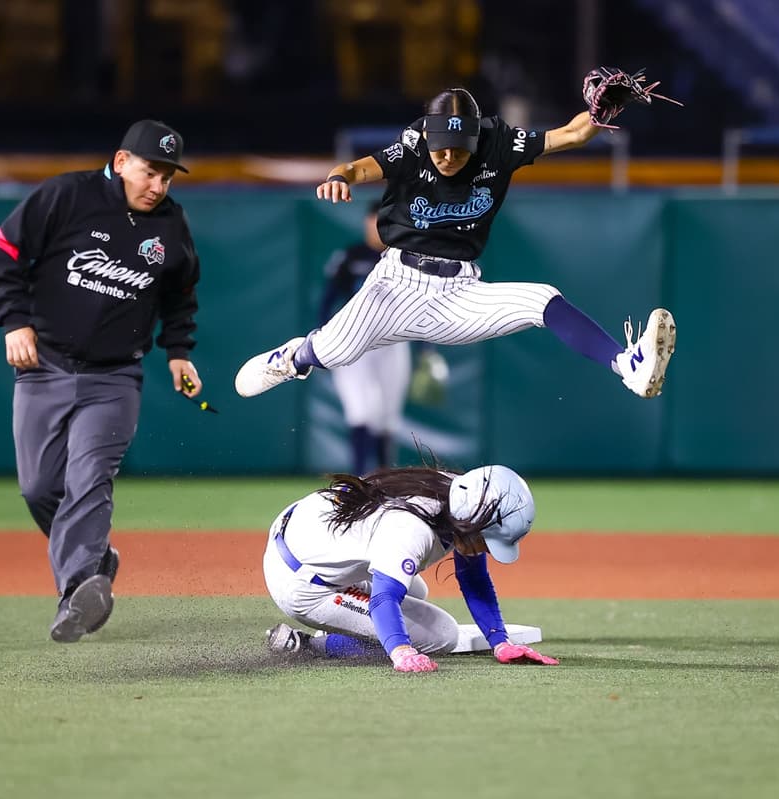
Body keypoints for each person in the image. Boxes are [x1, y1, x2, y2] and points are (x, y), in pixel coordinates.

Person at [235, 87, 676, 402]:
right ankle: (293, 357)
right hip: (395, 284)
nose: (447, 156)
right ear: (427, 134)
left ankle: (627, 366)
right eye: (440, 147)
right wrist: (336, 178)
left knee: (542, 300)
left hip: (458, 292)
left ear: (475, 138)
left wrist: (597, 116)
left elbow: (573, 134)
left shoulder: (499, 143)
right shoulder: (412, 147)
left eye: (457, 149)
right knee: (335, 350)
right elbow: (352, 168)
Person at [0, 119, 203, 643]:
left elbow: (180, 292)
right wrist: (13, 319)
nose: (158, 186)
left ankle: (78, 588)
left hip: (114, 378)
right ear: (121, 161)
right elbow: (3, 253)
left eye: (168, 177)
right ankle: (98, 556)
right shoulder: (66, 196)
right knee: (38, 488)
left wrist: (179, 352)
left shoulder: (171, 225)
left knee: (88, 479)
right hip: (44, 370)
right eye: (151, 172)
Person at [262, 463, 559, 672]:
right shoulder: (410, 529)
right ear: (471, 523)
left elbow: (474, 578)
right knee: (441, 635)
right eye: (488, 540)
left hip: (305, 537)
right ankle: (308, 646)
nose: (487, 550)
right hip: (301, 582)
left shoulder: (459, 495)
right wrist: (401, 650)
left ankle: (344, 624)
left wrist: (500, 641)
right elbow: (383, 599)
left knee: (416, 589)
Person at [318, 199, 413, 475]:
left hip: (393, 340)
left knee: (387, 416)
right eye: (374, 221)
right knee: (360, 411)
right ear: (366, 222)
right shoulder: (351, 256)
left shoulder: (404, 257)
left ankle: (384, 477)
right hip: (355, 341)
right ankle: (359, 477)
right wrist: (323, 340)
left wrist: (427, 350)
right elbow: (327, 301)